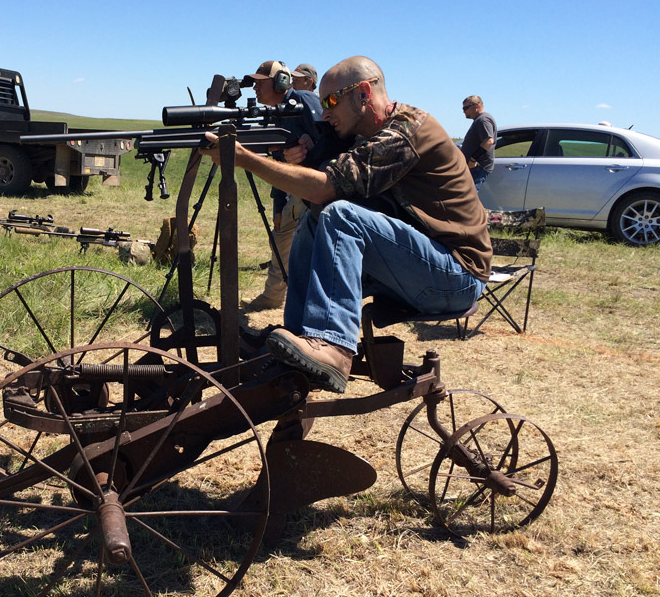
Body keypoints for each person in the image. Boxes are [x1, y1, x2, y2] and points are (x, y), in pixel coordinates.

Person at [202, 56, 492, 393]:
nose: (324, 112)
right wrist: (299, 155)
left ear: (364, 93)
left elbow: (326, 186)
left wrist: (246, 159)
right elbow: (325, 184)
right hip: (420, 266)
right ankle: (298, 340)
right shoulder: (369, 135)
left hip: (457, 273)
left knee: (340, 215)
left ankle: (335, 348)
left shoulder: (406, 130)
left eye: (331, 101)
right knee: (314, 221)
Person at [239, 60, 324, 312]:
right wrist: (278, 204)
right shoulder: (274, 113)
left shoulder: (306, 102)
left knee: (311, 251)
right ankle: (273, 297)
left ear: (280, 83)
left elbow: (334, 141)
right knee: (280, 240)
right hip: (294, 191)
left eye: (260, 82)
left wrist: (310, 148)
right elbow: (281, 162)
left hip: (316, 190)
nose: (255, 88)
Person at [460, 96, 496, 189]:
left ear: (476, 105)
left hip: (478, 166)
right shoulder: (479, 120)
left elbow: (488, 141)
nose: (464, 111)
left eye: (465, 108)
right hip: (475, 166)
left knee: (469, 196)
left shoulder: (483, 120)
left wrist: (473, 159)